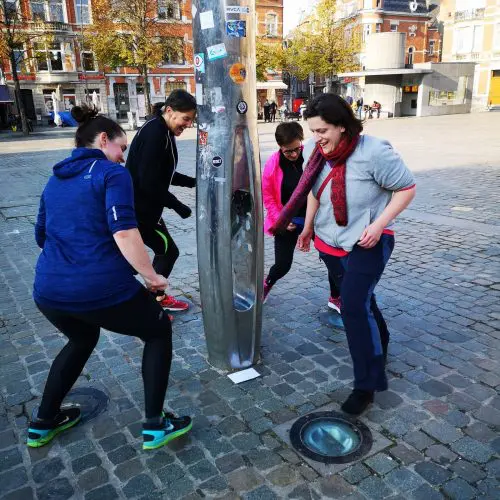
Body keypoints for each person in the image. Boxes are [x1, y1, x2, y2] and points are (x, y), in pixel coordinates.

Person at [28, 105, 192, 450]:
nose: (122, 157)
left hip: (48, 291)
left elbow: (41, 235)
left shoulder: (55, 179)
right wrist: (152, 276)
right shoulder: (111, 173)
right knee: (158, 331)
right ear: (104, 140)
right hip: (98, 287)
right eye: (122, 148)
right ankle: (155, 425)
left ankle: (43, 422)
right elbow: (124, 232)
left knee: (81, 338)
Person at [270, 93, 415, 415]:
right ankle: (381, 341)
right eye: (313, 130)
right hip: (329, 241)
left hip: (368, 240)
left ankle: (366, 386)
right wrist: (308, 227)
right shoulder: (315, 151)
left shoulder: (374, 152)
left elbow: (406, 188)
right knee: (361, 299)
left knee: (351, 305)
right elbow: (313, 192)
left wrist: (379, 224)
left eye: (322, 130)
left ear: (343, 125)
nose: (316, 137)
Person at [126, 89, 196, 312]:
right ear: (170, 111)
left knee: (162, 253)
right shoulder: (156, 134)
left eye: (191, 120)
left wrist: (194, 182)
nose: (188, 125)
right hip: (141, 211)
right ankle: (151, 304)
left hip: (145, 208)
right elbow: (149, 182)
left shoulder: (161, 128)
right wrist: (178, 205)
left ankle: (152, 299)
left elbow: (163, 174)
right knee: (167, 252)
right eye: (186, 119)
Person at [262, 122, 340, 308]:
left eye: (297, 149)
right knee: (283, 265)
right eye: (288, 151)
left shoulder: (312, 156)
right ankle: (266, 285)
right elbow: (268, 196)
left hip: (317, 218)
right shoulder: (273, 164)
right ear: (280, 146)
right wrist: (281, 219)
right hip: (287, 219)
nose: (294, 154)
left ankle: (336, 297)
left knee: (332, 259)